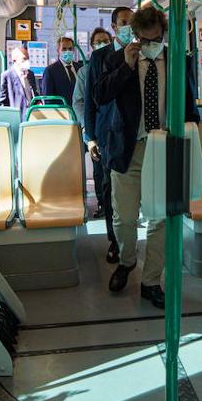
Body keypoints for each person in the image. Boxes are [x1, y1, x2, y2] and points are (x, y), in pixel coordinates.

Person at [93, 6, 200, 308]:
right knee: (124, 218)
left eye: (156, 40)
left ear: (163, 36)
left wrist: (188, 139)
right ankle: (127, 261)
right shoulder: (111, 58)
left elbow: (190, 107)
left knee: (163, 220)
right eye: (145, 40)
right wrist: (126, 66)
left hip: (168, 147)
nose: (151, 46)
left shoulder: (179, 61)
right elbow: (99, 96)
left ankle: (152, 281)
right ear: (134, 37)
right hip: (128, 147)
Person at [73, 27, 121, 262]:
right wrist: (88, 132)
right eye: (97, 42)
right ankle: (113, 235)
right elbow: (80, 103)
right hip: (100, 133)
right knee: (105, 182)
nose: (102, 44)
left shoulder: (122, 64)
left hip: (121, 133)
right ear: (91, 45)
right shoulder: (85, 71)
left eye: (105, 41)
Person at [0, 46, 39, 117]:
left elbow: (34, 93)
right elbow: (3, 101)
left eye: (28, 58)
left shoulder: (30, 74)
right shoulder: (7, 76)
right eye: (24, 59)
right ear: (15, 60)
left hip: (32, 114)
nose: (27, 62)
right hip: (16, 116)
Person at [42, 36, 80, 100]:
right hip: (62, 108)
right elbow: (47, 97)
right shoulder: (50, 71)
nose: (67, 51)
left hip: (80, 108)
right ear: (58, 51)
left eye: (70, 49)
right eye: (64, 49)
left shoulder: (80, 68)